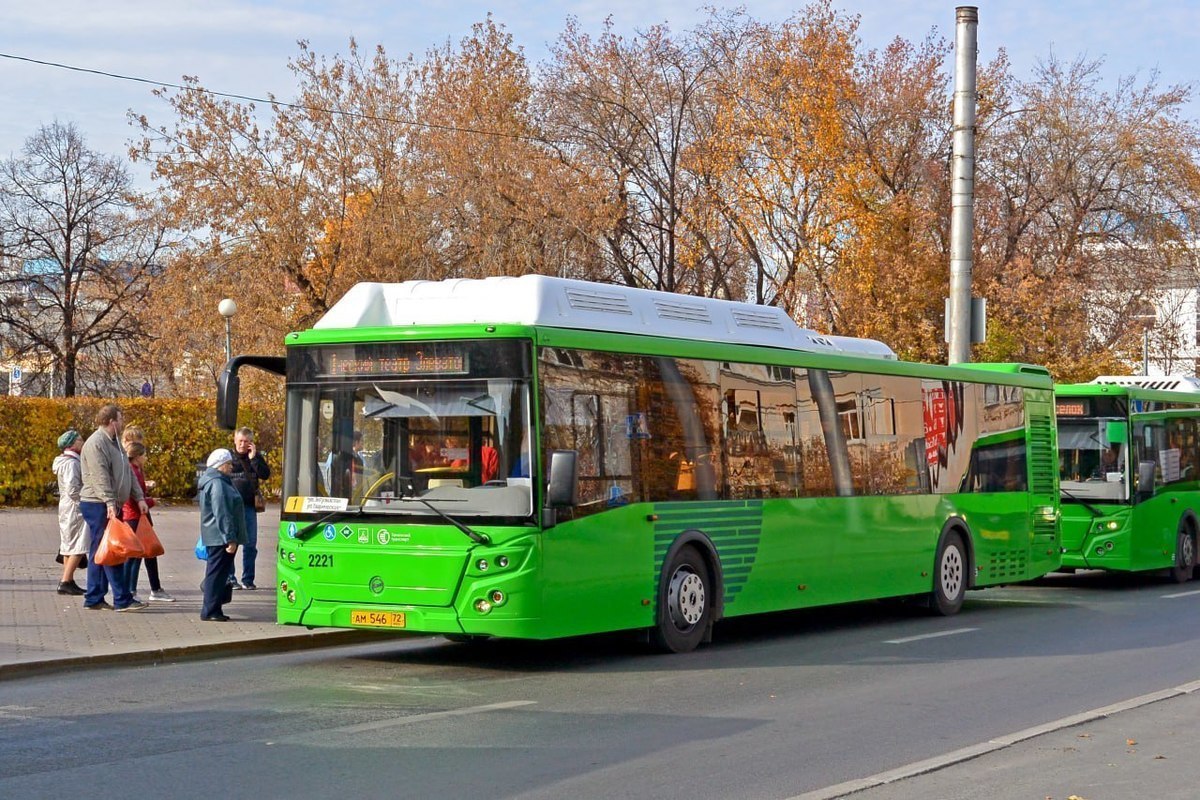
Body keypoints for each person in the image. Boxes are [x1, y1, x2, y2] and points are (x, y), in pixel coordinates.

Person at [79, 403, 148, 612]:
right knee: (112, 550)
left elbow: (126, 473)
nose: (122, 422)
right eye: (120, 418)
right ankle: (122, 598)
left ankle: (94, 597)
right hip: (97, 503)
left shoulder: (115, 442)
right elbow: (100, 477)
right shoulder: (96, 444)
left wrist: (139, 497)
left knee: (100, 551)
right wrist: (110, 502)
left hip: (108, 503)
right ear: (111, 422)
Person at [121, 440, 175, 602]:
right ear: (137, 456)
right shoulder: (133, 471)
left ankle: (147, 588)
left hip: (137, 516)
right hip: (135, 517)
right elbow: (134, 497)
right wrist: (151, 501)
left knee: (147, 552)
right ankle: (128, 591)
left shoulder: (134, 470)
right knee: (134, 555)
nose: (146, 458)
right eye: (144, 455)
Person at [197, 448, 248, 621]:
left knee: (216, 572)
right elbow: (223, 513)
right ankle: (210, 610)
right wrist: (230, 538)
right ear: (220, 465)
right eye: (228, 464)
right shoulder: (218, 483)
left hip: (216, 535)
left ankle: (214, 608)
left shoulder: (214, 480)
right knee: (216, 574)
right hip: (220, 537)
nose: (231, 467)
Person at [228, 427, 270, 590]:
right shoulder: (229, 457)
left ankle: (248, 579)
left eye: (246, 442)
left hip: (249, 506)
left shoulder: (255, 457)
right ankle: (230, 577)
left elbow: (265, 474)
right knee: (232, 543)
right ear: (235, 440)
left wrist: (253, 459)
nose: (242, 444)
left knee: (251, 544)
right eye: (240, 441)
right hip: (232, 507)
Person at [52, 429, 87, 595]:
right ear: (72, 444)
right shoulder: (72, 463)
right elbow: (73, 489)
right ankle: (65, 580)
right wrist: (85, 500)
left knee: (68, 544)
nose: (82, 442)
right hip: (75, 507)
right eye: (80, 440)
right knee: (79, 544)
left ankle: (69, 579)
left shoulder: (64, 461)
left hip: (67, 506)